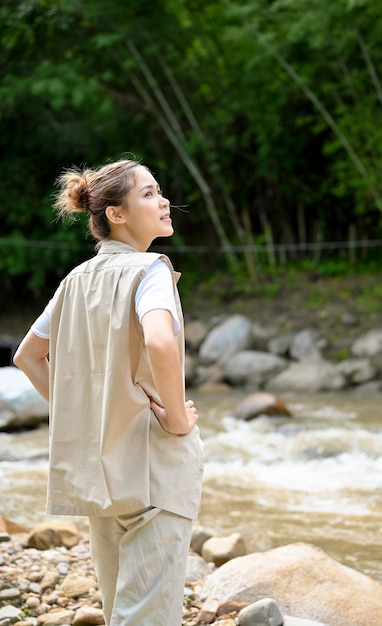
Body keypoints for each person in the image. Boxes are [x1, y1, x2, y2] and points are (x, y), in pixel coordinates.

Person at [13, 158, 204, 626]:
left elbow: (27, 356)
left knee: (122, 610)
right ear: (116, 214)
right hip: (153, 466)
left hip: (103, 471)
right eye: (148, 193)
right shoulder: (151, 270)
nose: (163, 202)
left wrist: (83, 415)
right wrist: (178, 419)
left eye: (159, 191)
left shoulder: (74, 281)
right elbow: (160, 341)